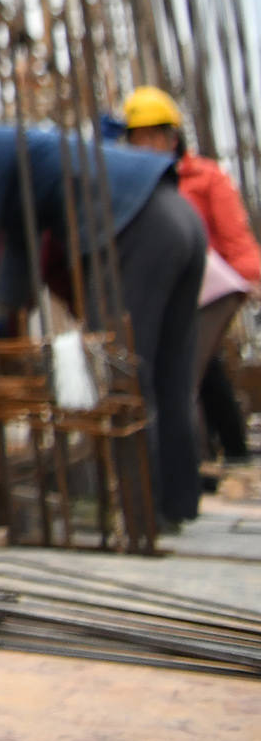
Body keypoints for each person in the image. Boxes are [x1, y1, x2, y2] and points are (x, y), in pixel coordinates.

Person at [0, 103, 206, 531]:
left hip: (132, 228)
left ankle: (145, 516)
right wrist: (1, 316)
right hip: (177, 218)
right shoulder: (4, 154)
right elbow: (20, 248)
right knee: (169, 374)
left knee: (122, 375)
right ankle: (177, 503)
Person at [120, 86, 258, 470]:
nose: (147, 146)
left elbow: (234, 232)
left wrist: (250, 275)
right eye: (138, 138)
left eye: (154, 136)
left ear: (173, 137)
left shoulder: (204, 177)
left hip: (212, 289)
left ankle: (206, 459)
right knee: (201, 368)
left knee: (190, 370)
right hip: (170, 292)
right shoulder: (134, 187)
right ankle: (228, 451)